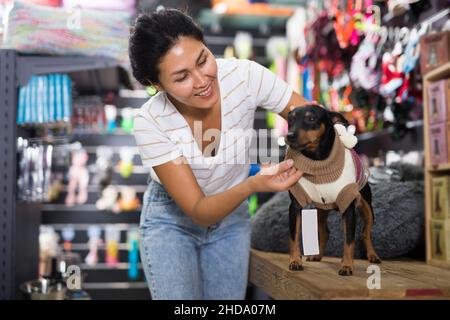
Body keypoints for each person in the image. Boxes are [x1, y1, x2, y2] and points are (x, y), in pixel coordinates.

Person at [129, 8, 309, 300]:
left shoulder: (244, 76)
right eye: (182, 77)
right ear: (157, 85)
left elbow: (308, 116)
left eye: (202, 60)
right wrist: (253, 184)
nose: (202, 80)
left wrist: (327, 134)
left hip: (231, 221)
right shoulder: (150, 122)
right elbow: (199, 210)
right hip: (171, 223)